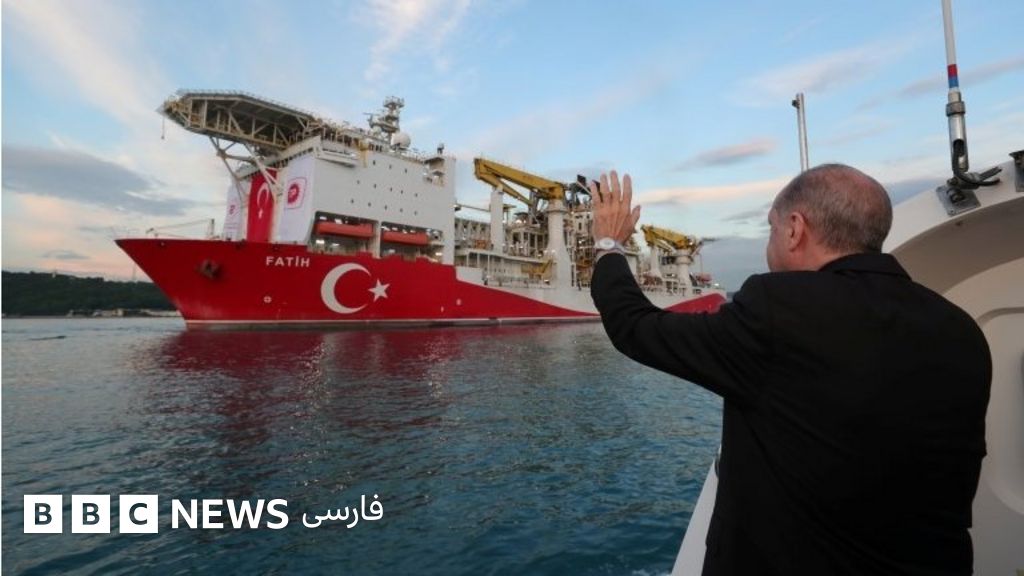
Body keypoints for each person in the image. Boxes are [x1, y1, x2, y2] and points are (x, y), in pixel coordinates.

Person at [589, 165, 991, 575]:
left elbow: (634, 326)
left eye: (772, 228)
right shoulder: (961, 330)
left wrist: (608, 244)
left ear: (795, 229)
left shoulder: (777, 311)